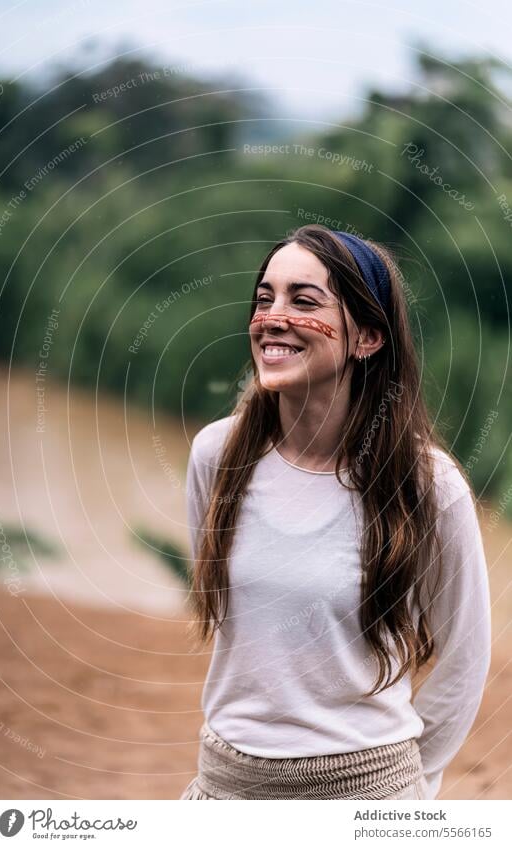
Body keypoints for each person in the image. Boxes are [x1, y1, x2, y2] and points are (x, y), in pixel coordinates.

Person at [180, 224, 492, 800]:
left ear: (367, 337)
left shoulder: (428, 486)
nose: (273, 316)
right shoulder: (215, 456)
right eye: (264, 298)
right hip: (224, 789)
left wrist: (405, 798)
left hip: (367, 793)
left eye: (304, 301)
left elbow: (464, 659)